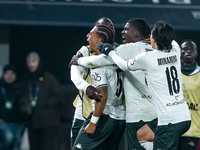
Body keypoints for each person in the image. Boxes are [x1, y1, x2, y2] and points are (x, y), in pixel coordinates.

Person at [99, 21, 191, 149]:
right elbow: (172, 41)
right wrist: (157, 40)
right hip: (184, 116)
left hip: (169, 120)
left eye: (152, 36)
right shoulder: (175, 50)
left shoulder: (148, 58)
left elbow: (124, 65)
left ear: (155, 39)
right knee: (142, 134)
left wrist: (110, 52)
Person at [71, 18, 157, 150]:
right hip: (130, 116)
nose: (122, 32)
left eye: (126, 29)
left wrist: (79, 60)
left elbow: (102, 94)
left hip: (108, 115)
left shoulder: (104, 58)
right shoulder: (151, 51)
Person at [72, 23, 125, 150]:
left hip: (104, 116)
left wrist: (93, 122)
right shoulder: (119, 56)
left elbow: (103, 95)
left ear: (99, 40)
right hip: (120, 117)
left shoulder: (97, 64)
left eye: (91, 33)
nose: (87, 36)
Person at [19, 52, 63, 150]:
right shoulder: (26, 79)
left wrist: (45, 102)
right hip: (32, 122)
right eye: (28, 62)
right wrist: (25, 107)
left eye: (33, 61)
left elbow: (59, 97)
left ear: (39, 62)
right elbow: (22, 96)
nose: (31, 64)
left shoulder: (49, 78)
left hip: (48, 122)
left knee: (46, 147)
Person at [177, 39, 200, 150]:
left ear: (196, 54)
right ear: (179, 52)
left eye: (192, 49)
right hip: (173, 129)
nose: (188, 51)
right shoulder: (172, 73)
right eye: (185, 48)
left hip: (193, 131)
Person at [0, 64, 25, 150]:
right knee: (8, 138)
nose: (9, 76)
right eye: (7, 73)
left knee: (16, 144)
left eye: (12, 74)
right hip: (4, 122)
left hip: (18, 122)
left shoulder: (20, 88)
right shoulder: (0, 87)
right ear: (3, 75)